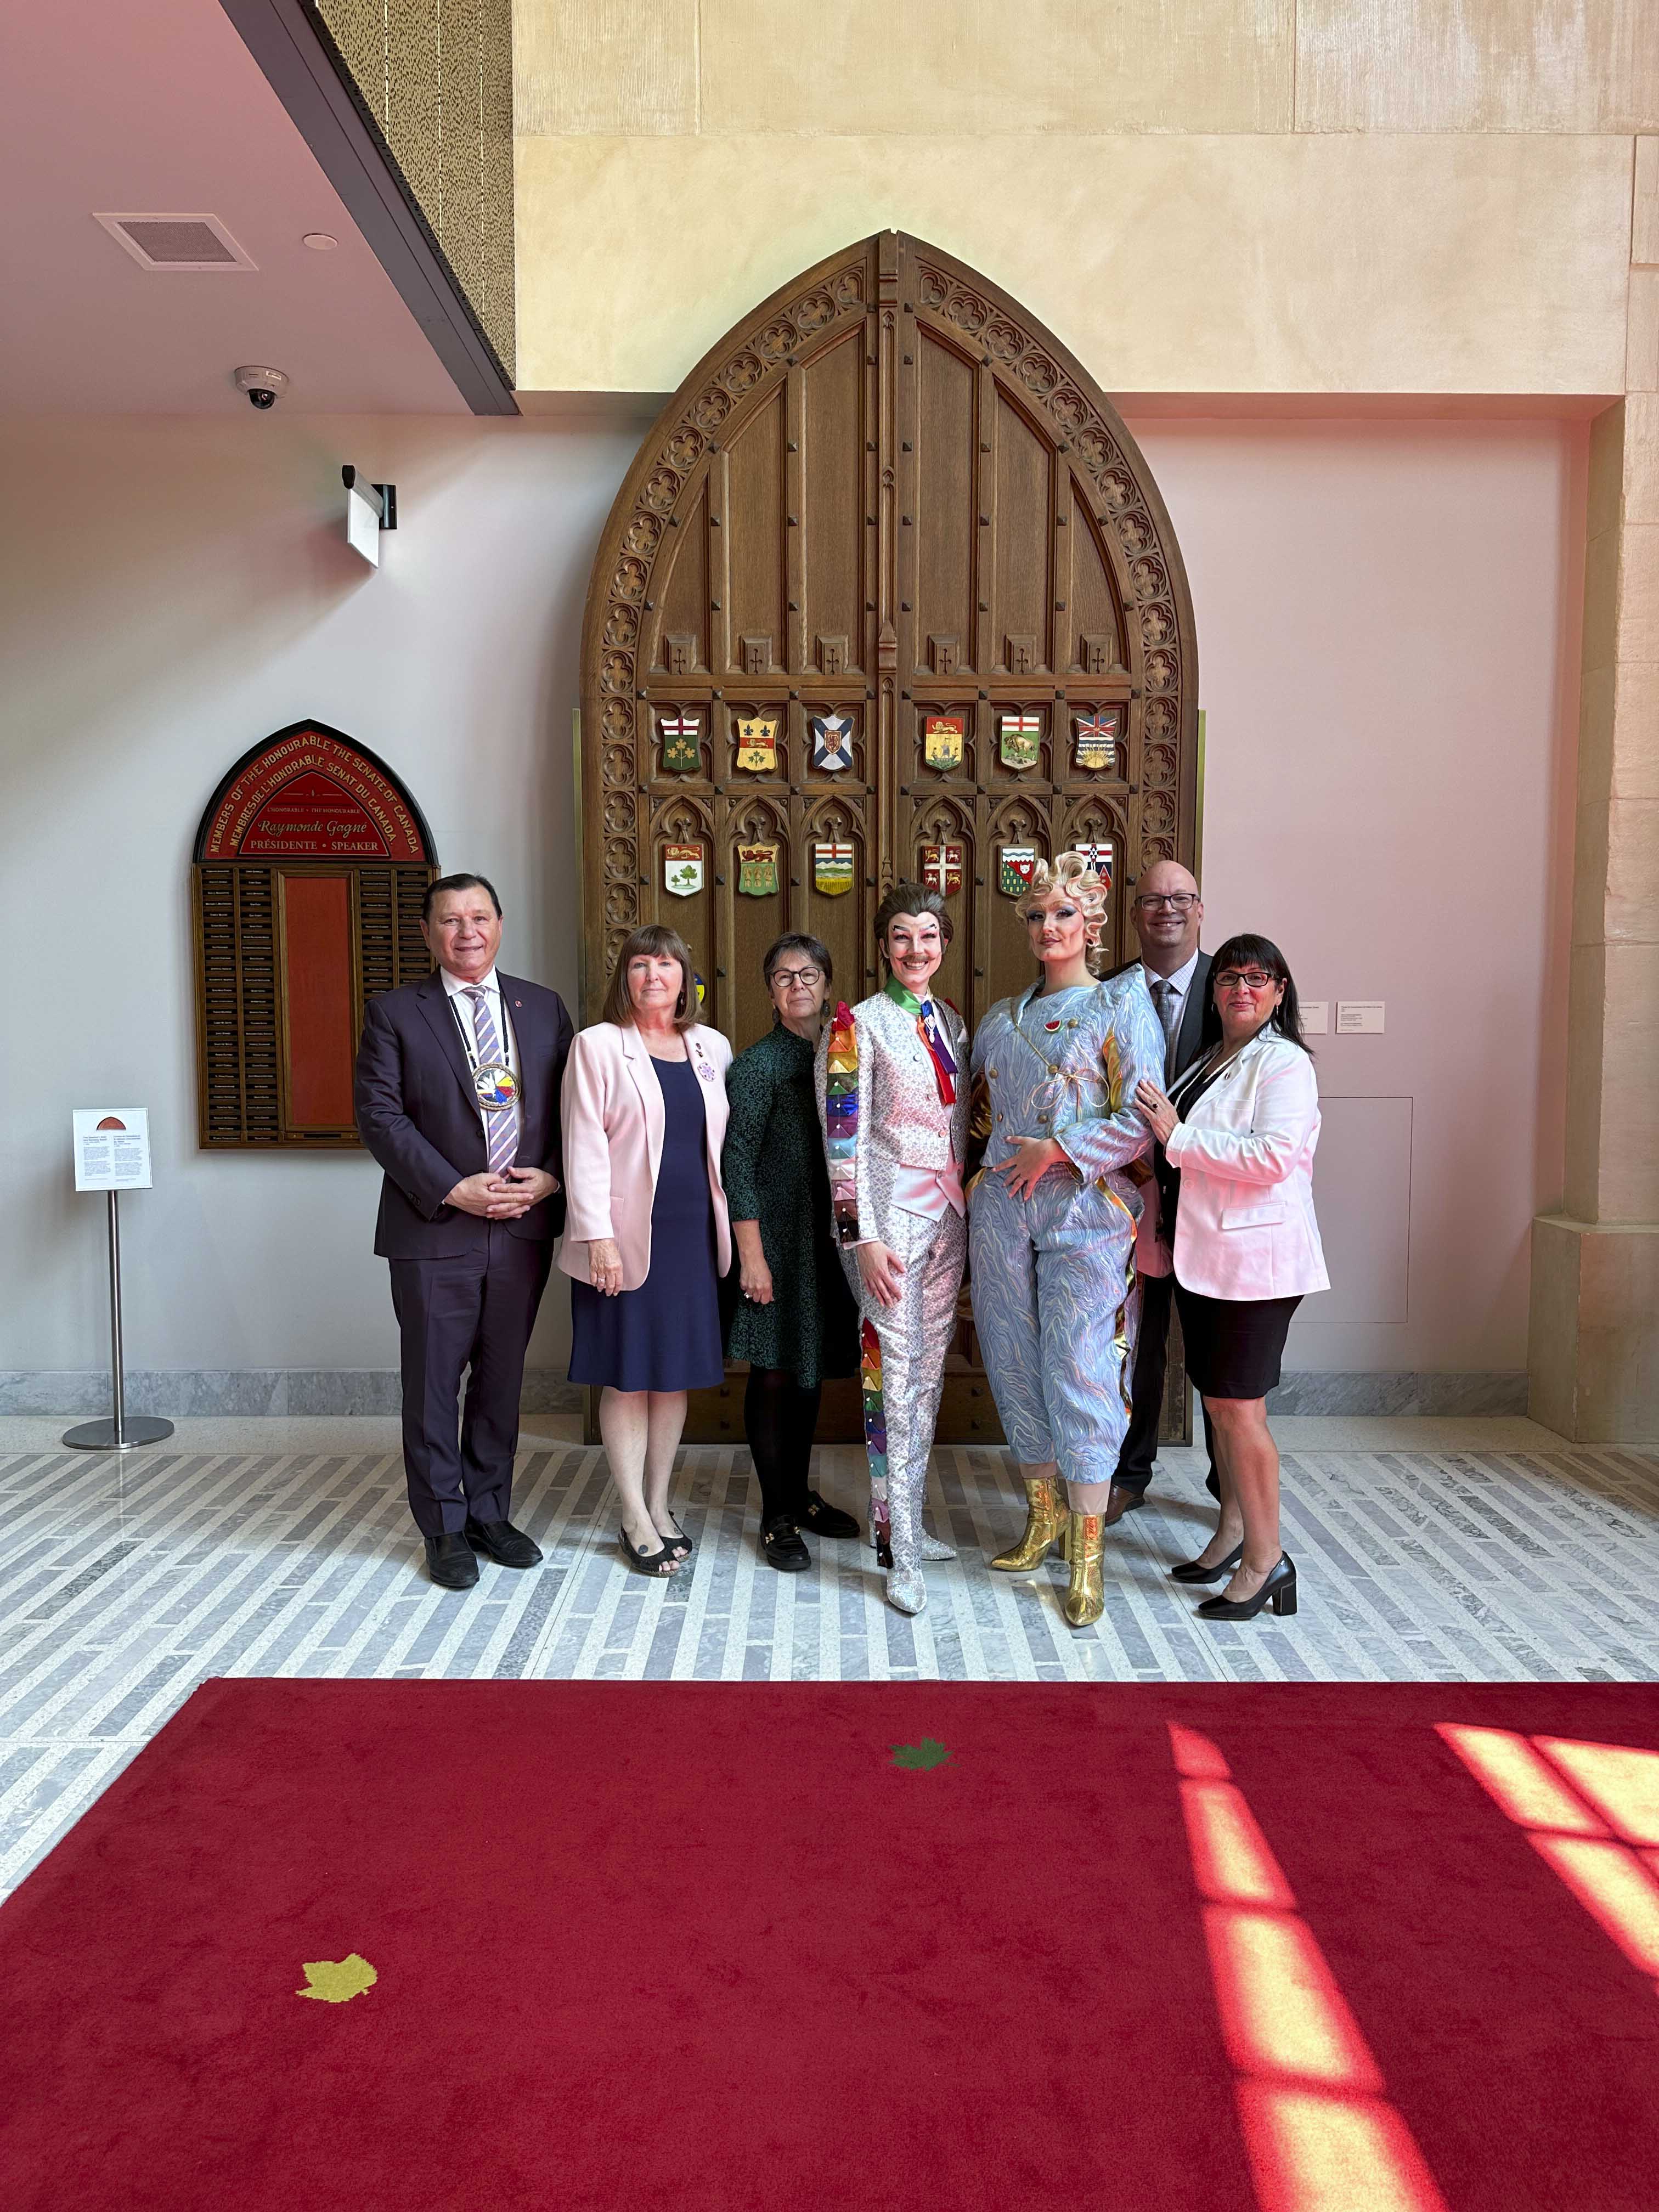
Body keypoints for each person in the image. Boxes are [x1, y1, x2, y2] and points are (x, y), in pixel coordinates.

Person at [354, 872, 573, 1590]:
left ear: (501, 924)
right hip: (434, 1226)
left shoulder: (542, 1010)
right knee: (433, 1384)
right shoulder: (396, 1014)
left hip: (519, 1225)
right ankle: (443, 1526)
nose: (467, 932)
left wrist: (549, 1174)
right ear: (429, 934)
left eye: (479, 917)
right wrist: (454, 1187)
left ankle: (489, 1511)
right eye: (451, 921)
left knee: (500, 1382)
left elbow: (577, 1110)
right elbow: (380, 1116)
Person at [969, 854, 1166, 1626]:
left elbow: (1142, 1116)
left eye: (1063, 915)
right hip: (1001, 1212)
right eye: (1036, 916)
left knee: (1081, 1365)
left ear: (1091, 922)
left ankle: (1088, 1554)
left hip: (1085, 1206)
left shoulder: (1123, 1005)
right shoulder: (997, 1019)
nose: (1048, 928)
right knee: (1013, 1357)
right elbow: (975, 1116)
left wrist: (1056, 1149)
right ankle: (1041, 1519)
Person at [1135, 934, 1329, 1622]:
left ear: (1280, 991)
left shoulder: (1284, 1065)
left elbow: (1273, 1157)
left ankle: (1266, 1560)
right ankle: (1234, 1531)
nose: (1242, 988)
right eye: (1229, 977)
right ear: (1213, 992)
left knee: (1240, 1411)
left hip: (1257, 1265)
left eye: (1259, 977)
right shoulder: (1212, 1058)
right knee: (1221, 1405)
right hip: (1206, 1258)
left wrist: (1178, 1137)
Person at [560, 925, 732, 1577]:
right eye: (640, 964)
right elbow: (583, 1145)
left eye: (666, 964)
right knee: (629, 1374)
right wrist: (596, 1236)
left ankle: (661, 1504)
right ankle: (632, 1511)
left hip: (692, 1236)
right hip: (625, 1238)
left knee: (673, 1374)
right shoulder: (599, 1046)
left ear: (686, 977)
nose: (654, 975)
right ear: (623, 978)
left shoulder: (710, 1046)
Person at [817, 883, 968, 1615]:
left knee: (927, 1379)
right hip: (887, 1227)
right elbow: (840, 1147)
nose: (916, 950)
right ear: (883, 946)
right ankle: (902, 1555)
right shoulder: (855, 1027)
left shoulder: (953, 1025)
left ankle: (897, 1521)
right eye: (903, 937)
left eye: (929, 936)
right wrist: (863, 1239)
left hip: (948, 1222)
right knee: (893, 1379)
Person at [723, 935, 861, 1571]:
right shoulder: (756, 1067)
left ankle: (799, 1495)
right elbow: (738, 1166)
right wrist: (751, 1256)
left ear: (828, 984)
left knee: (807, 1370)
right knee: (776, 1372)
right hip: (774, 1241)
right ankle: (777, 1515)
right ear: (771, 992)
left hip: (827, 1244)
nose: (798, 984)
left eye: (809, 973)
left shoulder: (844, 1058)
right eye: (783, 976)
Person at [1108, 859, 1219, 1522]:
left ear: (1201, 910)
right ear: (1135, 913)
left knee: (1214, 1351)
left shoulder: (1229, 986)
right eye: (1153, 900)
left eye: (1181, 899)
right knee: (1134, 1348)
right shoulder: (1112, 989)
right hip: (1131, 1202)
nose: (1167, 910)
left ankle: (1225, 1483)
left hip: (1210, 1202)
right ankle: (1129, 1471)